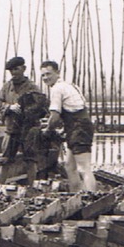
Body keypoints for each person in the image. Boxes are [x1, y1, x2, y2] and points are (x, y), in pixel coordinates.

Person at [40, 60, 97, 192]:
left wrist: (48, 129)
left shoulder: (57, 89)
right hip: (76, 127)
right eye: (43, 75)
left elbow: (54, 117)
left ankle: (92, 198)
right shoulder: (70, 85)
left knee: (84, 167)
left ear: (57, 73)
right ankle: (75, 196)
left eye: (49, 74)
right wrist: (64, 129)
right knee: (69, 166)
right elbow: (74, 109)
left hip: (79, 129)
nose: (46, 78)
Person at [0, 56, 45, 183]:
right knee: (4, 160)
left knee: (30, 159)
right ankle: (1, 188)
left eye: (16, 69)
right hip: (11, 129)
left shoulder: (32, 87)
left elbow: (41, 107)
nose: (14, 73)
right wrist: (9, 107)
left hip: (29, 129)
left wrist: (25, 109)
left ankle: (31, 188)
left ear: (24, 68)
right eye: (11, 70)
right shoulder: (7, 87)